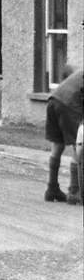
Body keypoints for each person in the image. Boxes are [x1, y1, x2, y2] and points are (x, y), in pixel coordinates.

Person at [43, 64, 82, 204]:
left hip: (53, 101)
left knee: (57, 146)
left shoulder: (80, 73)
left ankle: (52, 189)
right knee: (79, 146)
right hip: (69, 104)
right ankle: (74, 191)